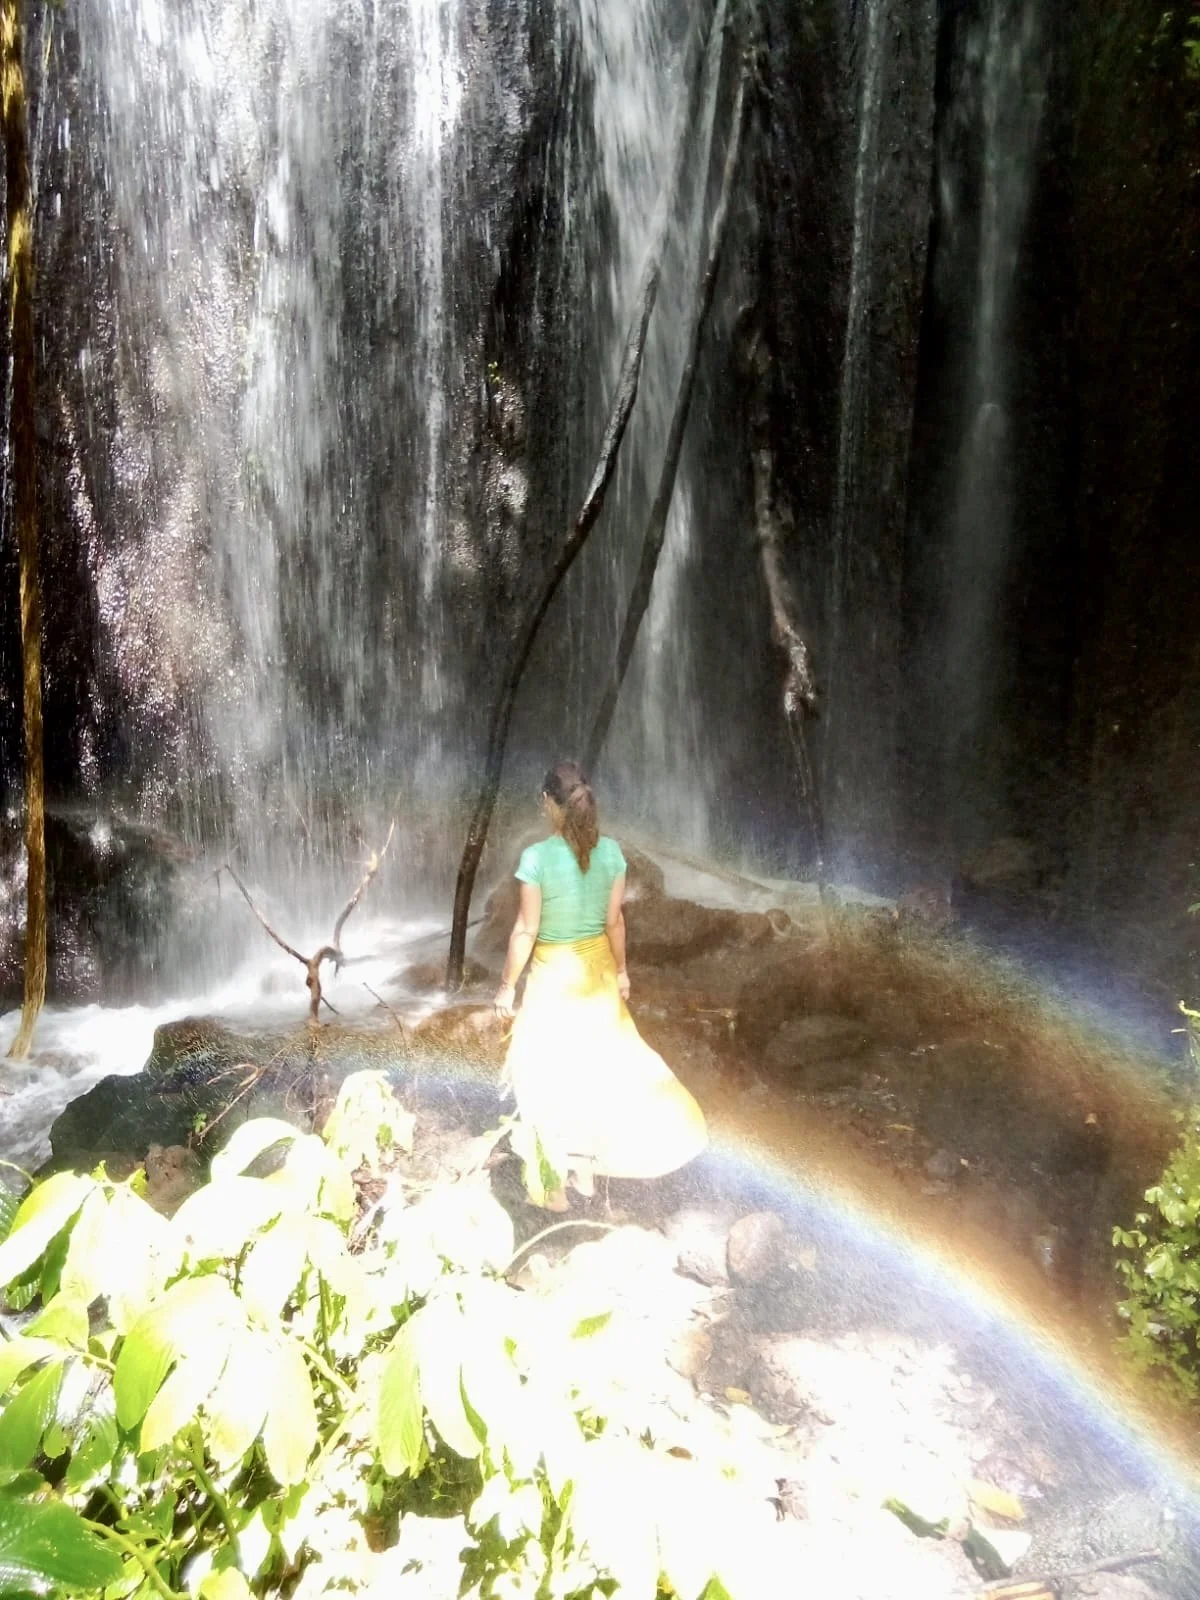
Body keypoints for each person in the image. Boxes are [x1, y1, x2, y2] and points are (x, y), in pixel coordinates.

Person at [494, 760, 708, 1210]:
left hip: (555, 975)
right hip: (599, 971)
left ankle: (553, 1191)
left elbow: (525, 932)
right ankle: (586, 1174)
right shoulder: (611, 853)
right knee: (596, 1069)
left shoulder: (536, 859)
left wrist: (506, 987)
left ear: (549, 805)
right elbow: (614, 922)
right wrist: (624, 971)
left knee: (545, 1076)